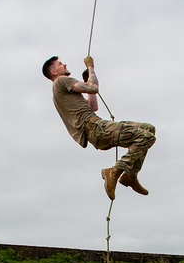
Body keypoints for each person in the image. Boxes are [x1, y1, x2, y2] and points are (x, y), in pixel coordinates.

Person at [42, 55, 156, 200]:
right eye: (60, 64)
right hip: (97, 128)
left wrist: (87, 78)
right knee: (147, 137)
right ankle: (115, 172)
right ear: (54, 72)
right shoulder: (61, 81)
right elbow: (93, 88)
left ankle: (130, 176)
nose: (64, 65)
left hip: (96, 130)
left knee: (149, 129)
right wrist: (91, 68)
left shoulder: (59, 91)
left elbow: (93, 106)